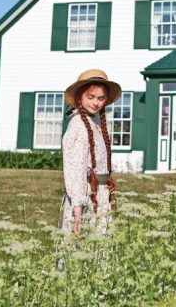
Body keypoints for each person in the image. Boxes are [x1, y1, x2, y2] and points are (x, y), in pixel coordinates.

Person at [60, 69, 120, 235]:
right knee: (83, 247)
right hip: (85, 197)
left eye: (101, 98)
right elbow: (76, 168)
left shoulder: (95, 124)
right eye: (90, 97)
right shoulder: (78, 125)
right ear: (80, 97)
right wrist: (77, 211)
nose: (95, 103)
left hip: (99, 195)